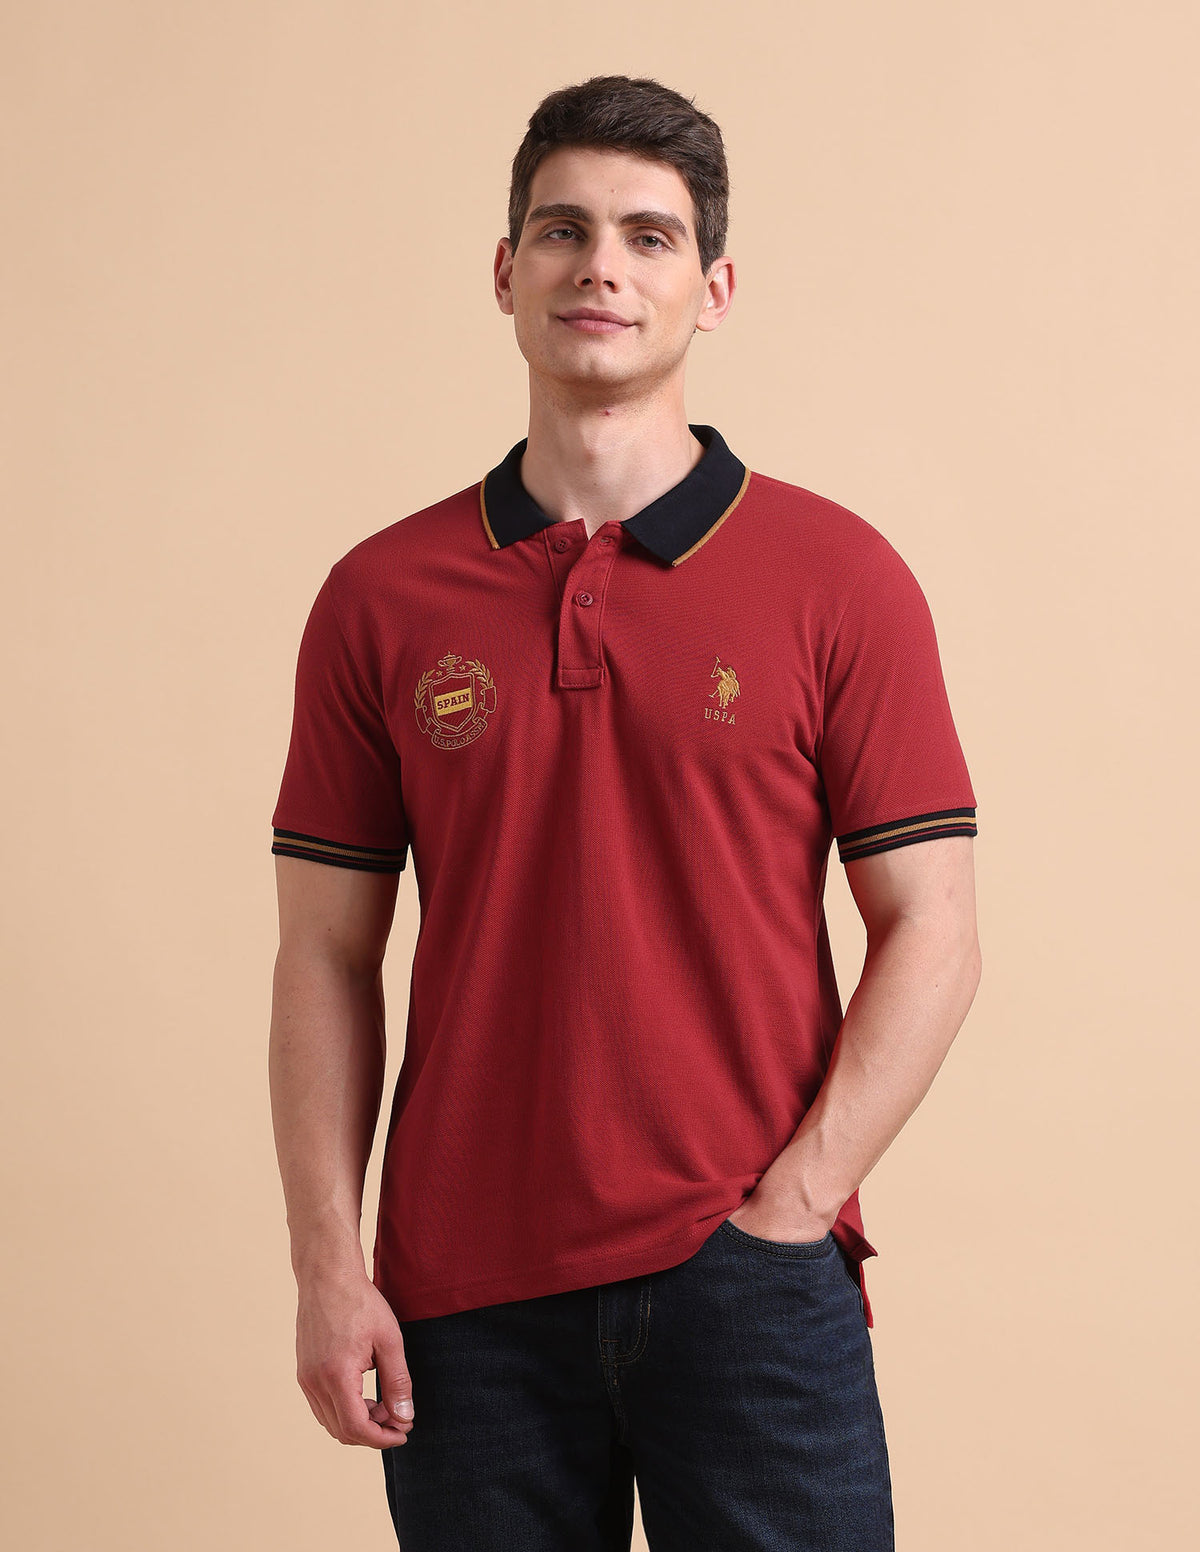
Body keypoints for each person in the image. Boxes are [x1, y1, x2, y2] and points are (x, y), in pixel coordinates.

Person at [268, 72, 981, 1552]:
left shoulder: (838, 577)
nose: (602, 266)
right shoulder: (379, 598)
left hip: (750, 1275)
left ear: (712, 290)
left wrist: (799, 1204)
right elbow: (325, 956)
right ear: (505, 272)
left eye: (650, 237)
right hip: (465, 1300)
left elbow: (935, 927)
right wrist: (329, 1267)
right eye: (564, 229)